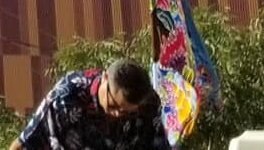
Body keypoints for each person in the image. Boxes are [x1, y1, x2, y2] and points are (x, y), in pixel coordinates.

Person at [15, 60, 165, 150]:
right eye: (113, 105)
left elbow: (159, 143)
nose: (117, 114)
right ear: (104, 77)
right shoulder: (65, 98)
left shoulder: (148, 103)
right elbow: (24, 142)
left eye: (127, 112)